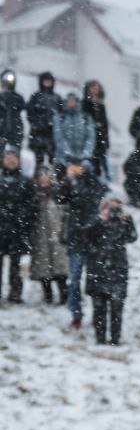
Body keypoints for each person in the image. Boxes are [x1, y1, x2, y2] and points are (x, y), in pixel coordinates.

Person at [76, 198, 136, 345]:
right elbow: (85, 235)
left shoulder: (124, 222)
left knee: (117, 308)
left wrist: (127, 220)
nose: (114, 212)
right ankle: (100, 339)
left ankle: (115, 339)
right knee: (99, 307)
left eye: (117, 208)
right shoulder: (96, 222)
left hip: (118, 270)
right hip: (98, 269)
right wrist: (99, 220)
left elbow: (133, 237)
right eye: (110, 208)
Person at [58, 161, 106, 329]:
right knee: (75, 279)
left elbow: (94, 197)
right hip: (76, 238)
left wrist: (85, 178)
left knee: (95, 280)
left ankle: (98, 314)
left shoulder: (96, 184)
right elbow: (60, 197)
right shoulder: (72, 184)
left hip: (93, 238)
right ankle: (76, 314)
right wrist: (68, 179)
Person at [28, 165, 68, 305]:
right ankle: (48, 296)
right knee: (43, 269)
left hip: (58, 236)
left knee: (60, 269)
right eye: (41, 176)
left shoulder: (59, 194)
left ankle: (64, 296)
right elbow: (29, 216)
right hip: (40, 237)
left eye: (47, 175)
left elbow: (65, 215)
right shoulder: (34, 195)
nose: (44, 178)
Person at [0, 146, 34, 302]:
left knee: (15, 265)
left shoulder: (25, 181)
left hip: (17, 229)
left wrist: (22, 219)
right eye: (8, 158)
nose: (11, 161)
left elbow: (30, 205)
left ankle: (15, 294)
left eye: (14, 158)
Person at [52, 92, 96, 173]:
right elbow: (58, 137)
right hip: (63, 160)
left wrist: (85, 154)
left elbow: (91, 137)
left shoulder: (85, 117)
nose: (71, 103)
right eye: (69, 101)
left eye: (73, 101)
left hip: (82, 161)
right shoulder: (60, 117)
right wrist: (68, 153)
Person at [25, 72, 59, 168]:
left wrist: (54, 125)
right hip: (38, 133)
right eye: (45, 80)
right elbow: (30, 113)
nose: (47, 82)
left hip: (52, 134)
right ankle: (37, 180)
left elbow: (61, 114)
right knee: (37, 161)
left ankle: (52, 180)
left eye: (49, 80)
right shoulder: (35, 96)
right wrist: (37, 123)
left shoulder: (57, 98)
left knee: (53, 162)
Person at [81, 80, 109, 178]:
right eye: (92, 88)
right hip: (88, 138)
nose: (94, 90)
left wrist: (106, 141)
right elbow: (83, 121)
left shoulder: (101, 105)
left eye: (97, 88)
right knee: (86, 165)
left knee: (99, 167)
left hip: (100, 140)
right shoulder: (84, 104)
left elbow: (105, 124)